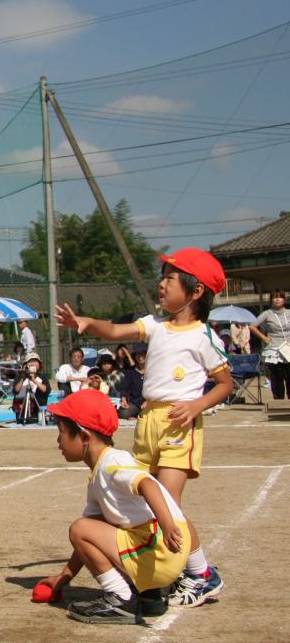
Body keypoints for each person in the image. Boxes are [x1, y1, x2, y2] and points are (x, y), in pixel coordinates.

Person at [57, 247, 233, 609]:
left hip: (178, 424)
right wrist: (88, 323)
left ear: (196, 291)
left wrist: (197, 405)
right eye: (163, 277)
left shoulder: (203, 337)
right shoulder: (156, 325)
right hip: (148, 421)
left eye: (170, 278)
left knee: (168, 504)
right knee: (142, 501)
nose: (162, 284)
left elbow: (225, 383)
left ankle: (201, 574)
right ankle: (157, 568)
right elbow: (116, 329)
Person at [38, 389, 188, 624]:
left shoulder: (111, 462)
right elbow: (89, 539)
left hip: (161, 547)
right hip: (163, 552)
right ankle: (149, 596)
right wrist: (64, 576)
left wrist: (167, 526)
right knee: (92, 528)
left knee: (80, 528)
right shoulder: (101, 471)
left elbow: (148, 484)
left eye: (62, 432)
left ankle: (121, 599)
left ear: (84, 437)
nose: (58, 440)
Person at [250, 289, 290, 399]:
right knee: (277, 382)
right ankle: (278, 406)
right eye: (274, 297)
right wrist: (264, 337)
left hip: (288, 350)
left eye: (280, 297)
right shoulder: (267, 313)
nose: (277, 299)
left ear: (284, 299)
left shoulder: (289, 313)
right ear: (271, 300)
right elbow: (252, 326)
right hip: (274, 352)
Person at [12, 352, 49, 424]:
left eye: (35, 361)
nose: (33, 364)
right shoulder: (20, 377)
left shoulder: (42, 378)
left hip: (38, 414)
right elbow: (15, 391)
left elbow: (46, 390)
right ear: (26, 365)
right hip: (21, 415)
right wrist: (23, 377)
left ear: (39, 364)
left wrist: (34, 380)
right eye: (30, 362)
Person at [117, 347, 146, 420]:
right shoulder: (130, 371)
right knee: (123, 413)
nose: (140, 357)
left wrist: (148, 401)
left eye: (143, 354)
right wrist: (124, 400)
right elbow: (124, 387)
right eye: (138, 355)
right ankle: (137, 415)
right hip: (134, 403)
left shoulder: (153, 370)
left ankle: (139, 415)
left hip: (149, 403)